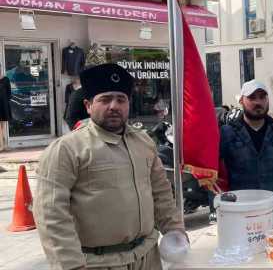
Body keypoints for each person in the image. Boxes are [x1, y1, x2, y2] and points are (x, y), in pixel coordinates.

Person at [34, 63, 186, 270]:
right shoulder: (67, 149)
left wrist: (175, 230)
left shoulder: (143, 142)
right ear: (88, 106)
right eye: (105, 99)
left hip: (147, 258)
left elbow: (161, 193)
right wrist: (70, 265)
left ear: (128, 104)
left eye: (121, 99)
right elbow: (51, 214)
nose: (114, 105)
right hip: (98, 263)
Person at [219, 80, 273, 228]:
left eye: (262, 97)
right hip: (241, 211)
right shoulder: (228, 132)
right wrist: (221, 207)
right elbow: (215, 172)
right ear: (242, 101)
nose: (258, 102)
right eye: (252, 98)